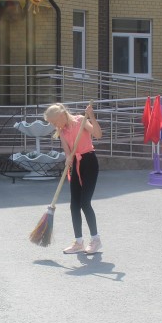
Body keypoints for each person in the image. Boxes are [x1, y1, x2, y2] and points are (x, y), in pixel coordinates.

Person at [43, 103, 104, 255]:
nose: (54, 125)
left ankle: (96, 240)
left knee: (85, 202)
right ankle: (78, 242)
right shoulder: (62, 131)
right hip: (76, 163)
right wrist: (68, 158)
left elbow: (98, 134)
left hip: (89, 162)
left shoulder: (81, 120)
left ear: (61, 115)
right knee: (74, 205)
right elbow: (67, 151)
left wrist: (91, 116)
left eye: (54, 122)